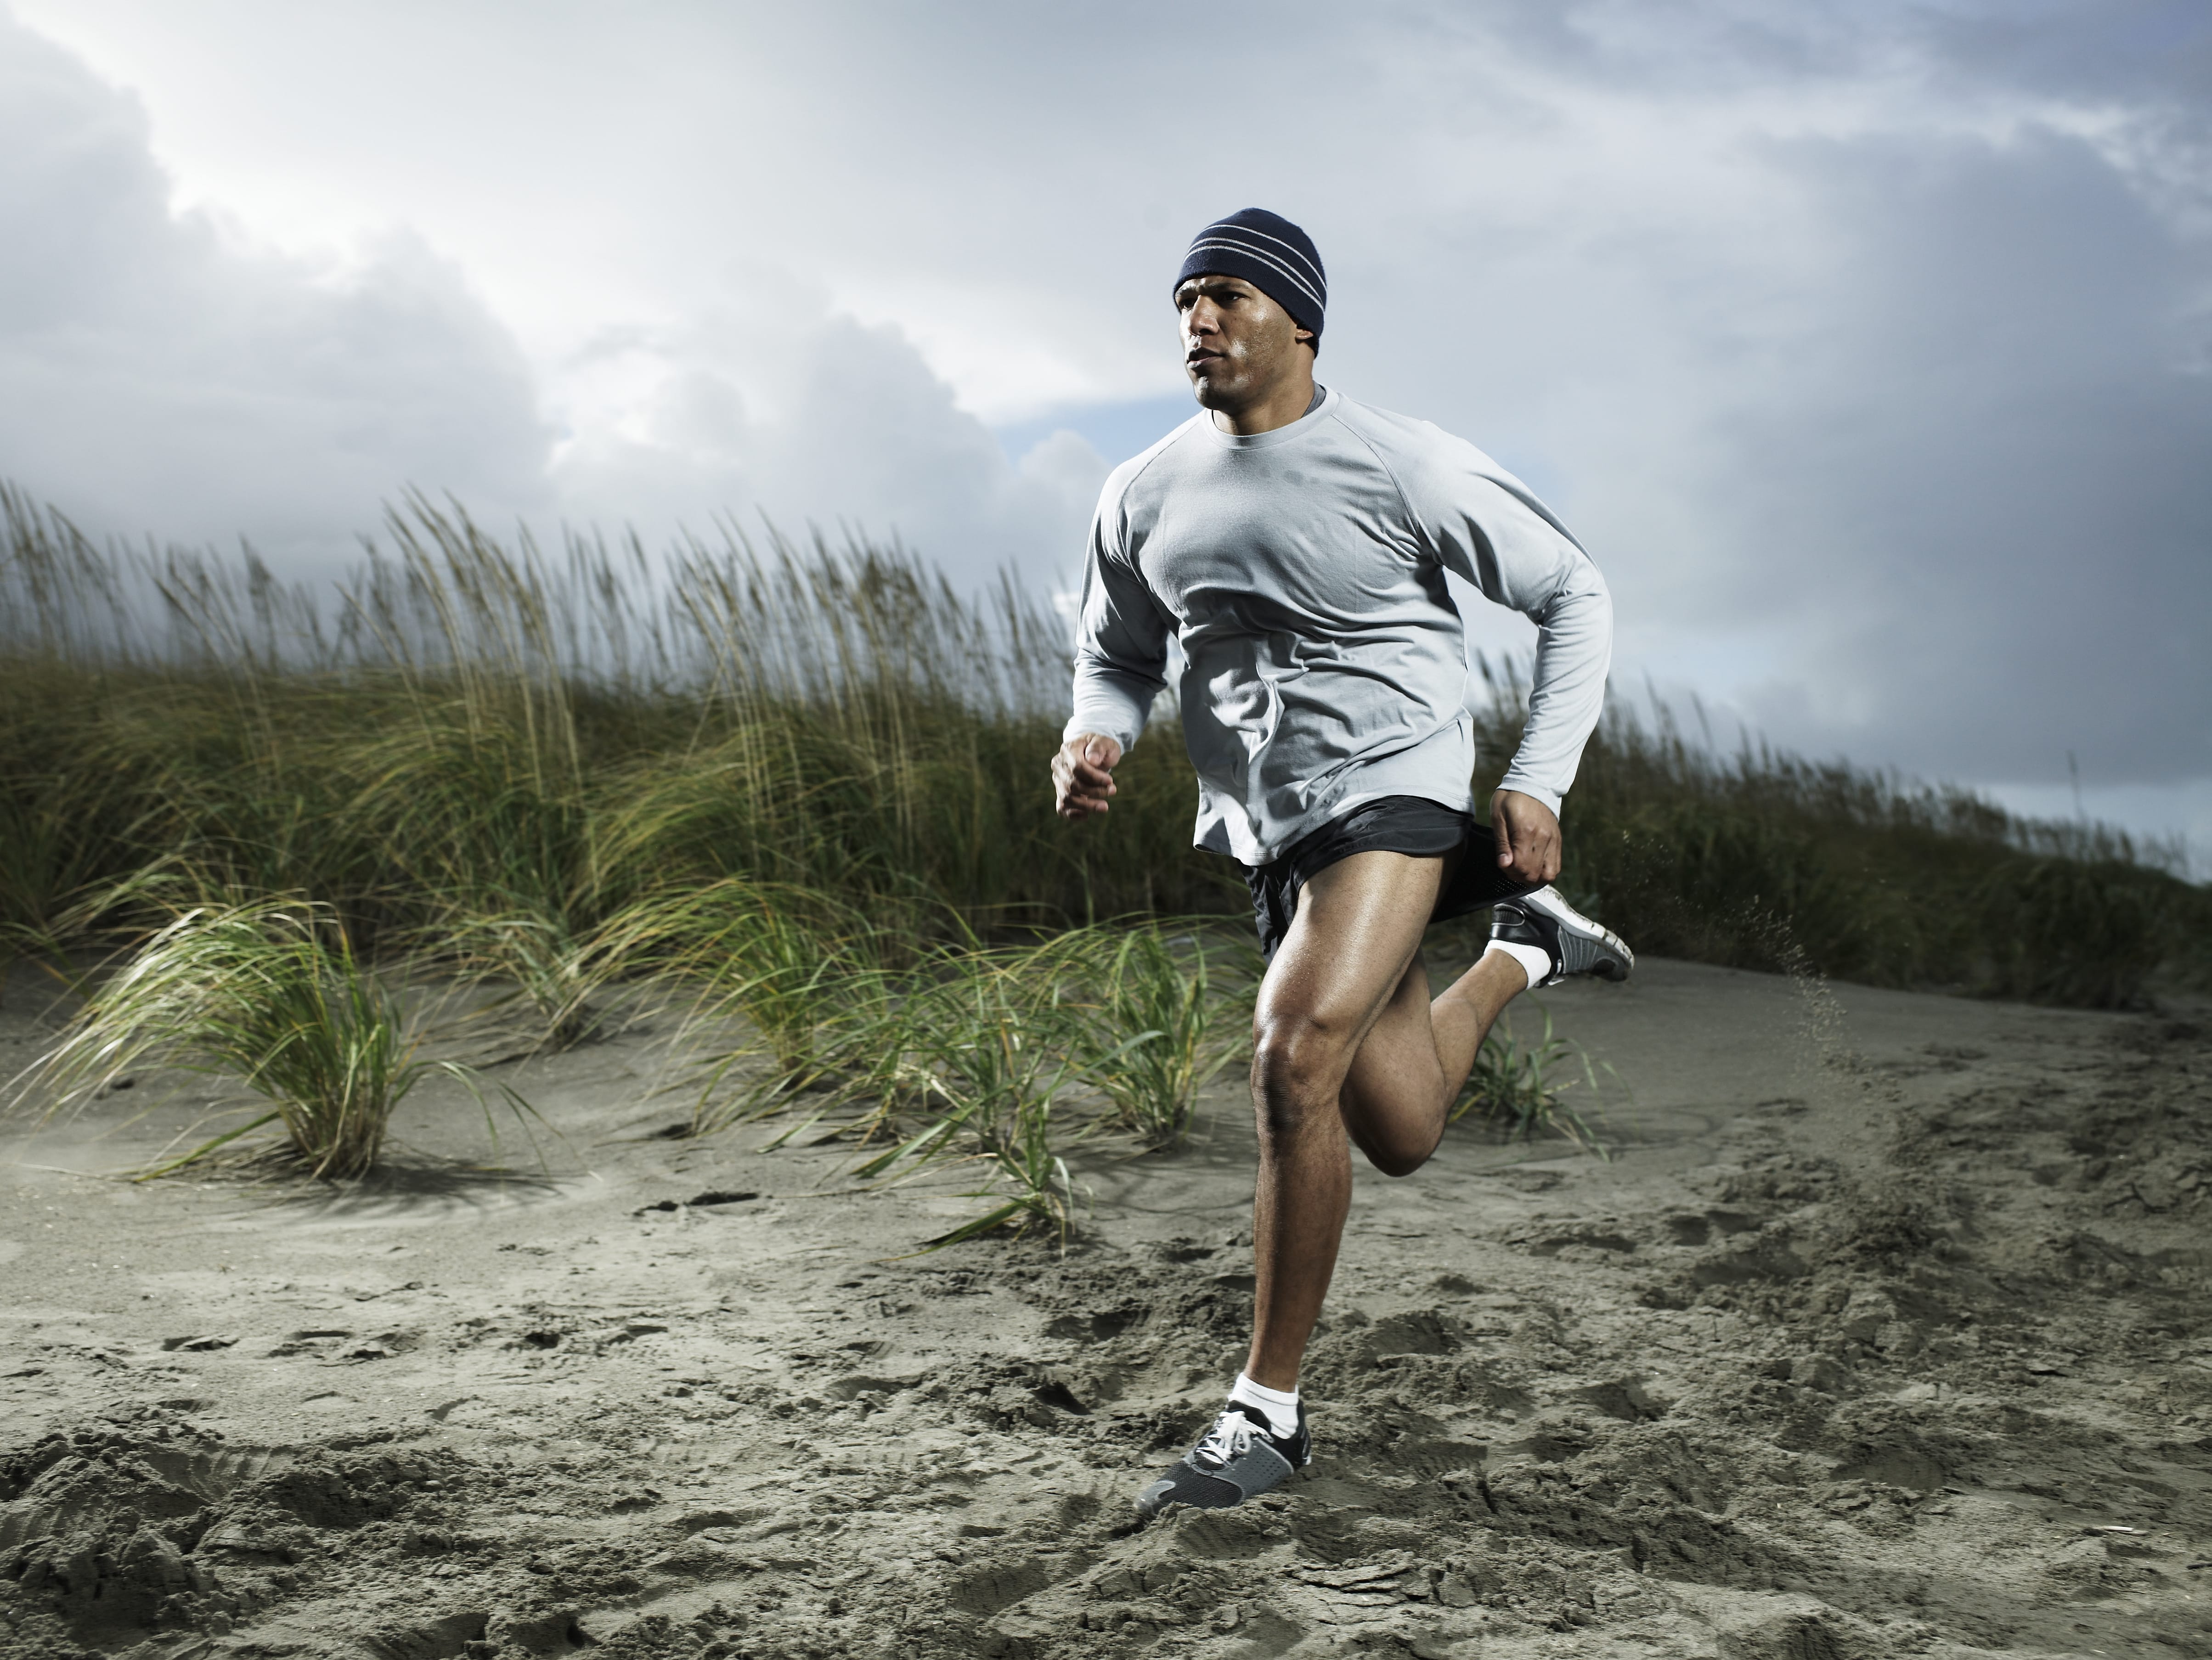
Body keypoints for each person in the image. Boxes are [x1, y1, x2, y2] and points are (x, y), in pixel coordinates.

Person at [1050, 208, 1634, 1518]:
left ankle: (1266, 1416)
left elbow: (1573, 595)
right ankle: (1524, 951)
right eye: (1186, 301)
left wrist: (1536, 774)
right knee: (1401, 1125)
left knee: (1290, 1053)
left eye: (1228, 297)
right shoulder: (1143, 491)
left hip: (1401, 791)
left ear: (1299, 320)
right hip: (1273, 827)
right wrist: (1096, 735)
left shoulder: (1401, 465)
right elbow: (1120, 655)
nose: (1199, 320)